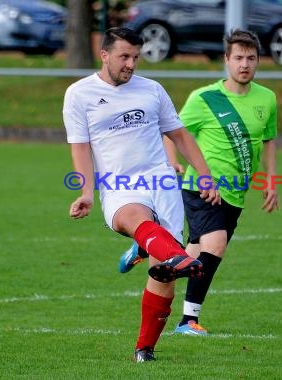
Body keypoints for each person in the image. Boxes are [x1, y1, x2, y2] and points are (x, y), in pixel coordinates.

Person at [63, 27, 220, 362]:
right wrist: (86, 192)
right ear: (104, 55)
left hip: (161, 182)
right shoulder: (80, 94)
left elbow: (179, 135)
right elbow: (80, 149)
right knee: (137, 222)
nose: (131, 63)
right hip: (118, 187)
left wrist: (204, 177)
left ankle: (145, 348)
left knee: (162, 276)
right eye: (124, 56)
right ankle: (176, 255)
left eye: (136, 56)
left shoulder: (152, 90)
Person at [119, 29, 280, 335]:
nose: (244, 64)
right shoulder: (205, 98)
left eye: (251, 58)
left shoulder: (267, 99)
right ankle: (187, 320)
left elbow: (269, 140)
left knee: (192, 256)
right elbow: (173, 130)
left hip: (236, 192)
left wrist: (271, 181)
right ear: (226, 60)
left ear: (258, 61)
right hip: (201, 187)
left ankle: (143, 247)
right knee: (215, 245)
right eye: (238, 58)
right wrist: (172, 162)